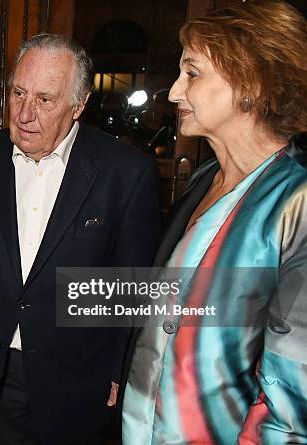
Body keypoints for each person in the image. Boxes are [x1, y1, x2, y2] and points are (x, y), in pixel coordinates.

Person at [0, 34, 160, 445]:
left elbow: (132, 285)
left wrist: (120, 369)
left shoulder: (125, 173)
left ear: (78, 107)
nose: (24, 113)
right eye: (18, 93)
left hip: (77, 376)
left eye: (44, 99)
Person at [122, 1, 307, 443]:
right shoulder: (206, 178)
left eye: (192, 73)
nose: (173, 93)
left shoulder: (297, 205)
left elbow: (290, 406)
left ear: (252, 82)